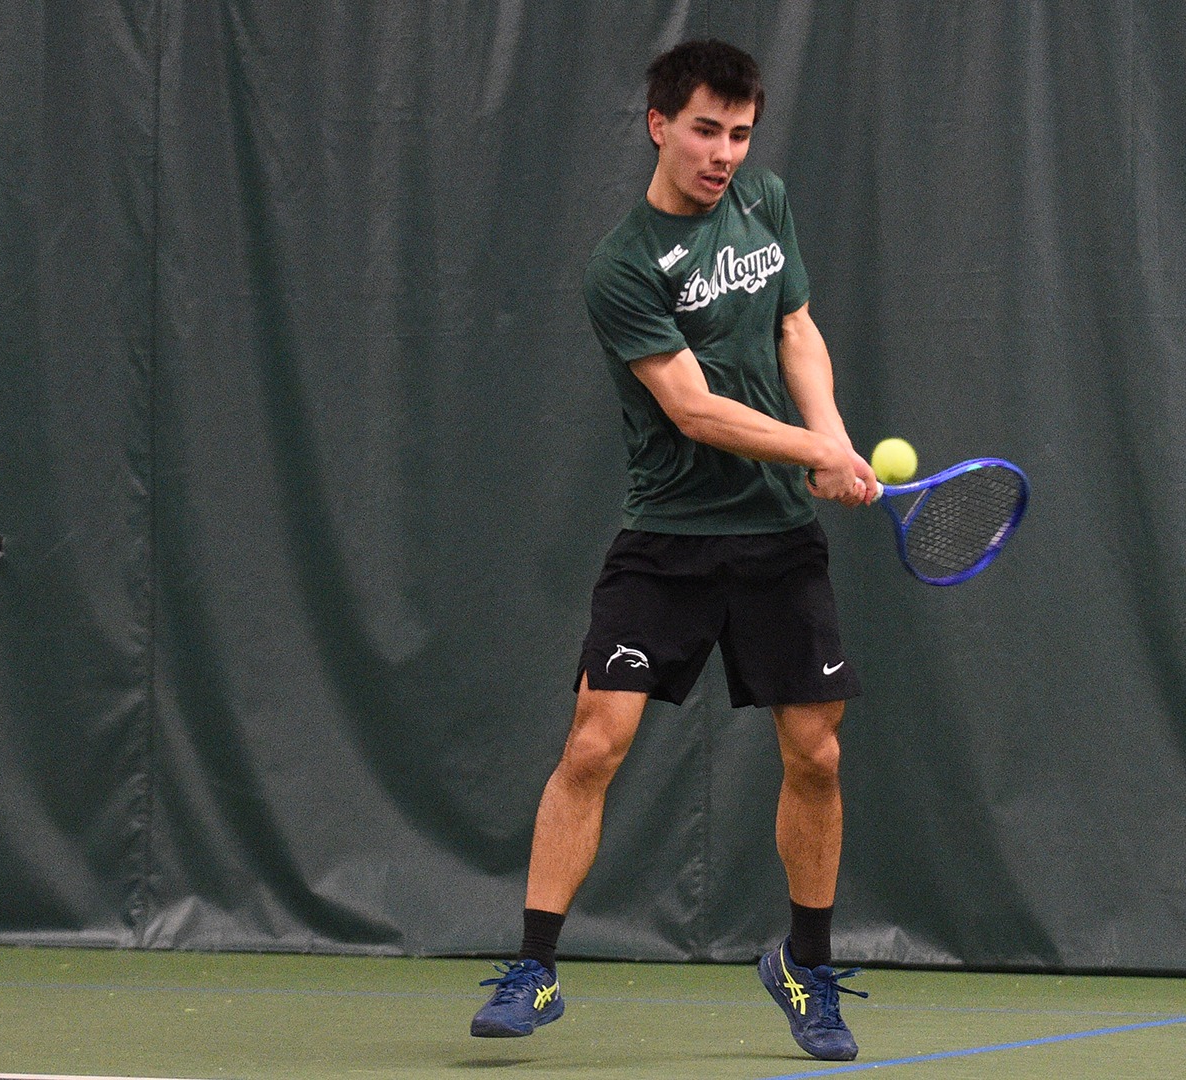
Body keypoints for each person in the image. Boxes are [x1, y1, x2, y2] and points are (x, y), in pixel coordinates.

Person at [468, 39, 878, 1062]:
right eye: (706, 130)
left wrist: (827, 432)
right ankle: (536, 969)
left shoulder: (767, 203)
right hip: (669, 540)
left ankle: (806, 967)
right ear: (660, 124)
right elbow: (693, 409)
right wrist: (818, 449)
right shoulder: (621, 266)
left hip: (778, 542)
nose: (724, 152)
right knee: (595, 741)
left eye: (740, 133)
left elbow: (797, 332)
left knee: (815, 755)